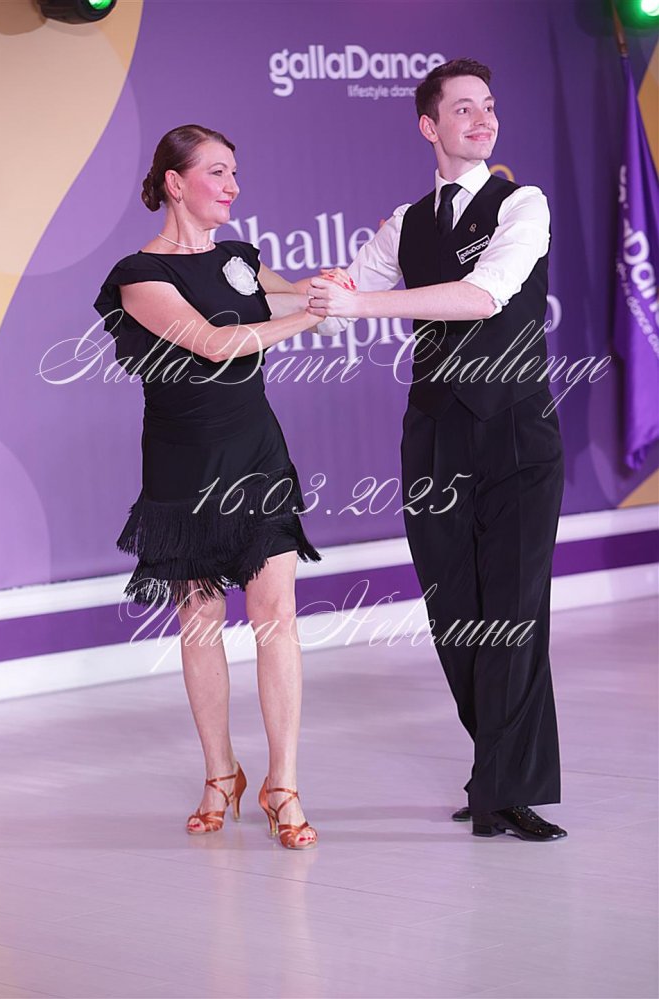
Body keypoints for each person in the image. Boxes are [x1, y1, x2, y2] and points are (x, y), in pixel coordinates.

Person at [308, 59, 567, 842]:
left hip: (515, 434)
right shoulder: (406, 222)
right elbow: (337, 299)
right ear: (430, 126)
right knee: (456, 615)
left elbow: (483, 296)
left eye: (488, 105)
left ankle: (503, 788)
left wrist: (360, 302)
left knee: (513, 615)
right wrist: (257, 285)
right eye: (463, 109)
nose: (483, 119)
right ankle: (495, 770)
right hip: (433, 439)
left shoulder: (522, 203)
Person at [94, 124, 331, 849]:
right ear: (175, 182)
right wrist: (310, 317)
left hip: (257, 454)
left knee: (276, 614)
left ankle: (282, 782)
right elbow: (215, 343)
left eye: (235, 172)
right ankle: (220, 772)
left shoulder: (239, 257)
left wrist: (337, 282)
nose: (233, 185)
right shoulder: (140, 274)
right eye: (218, 172)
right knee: (200, 620)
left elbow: (291, 288)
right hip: (185, 467)